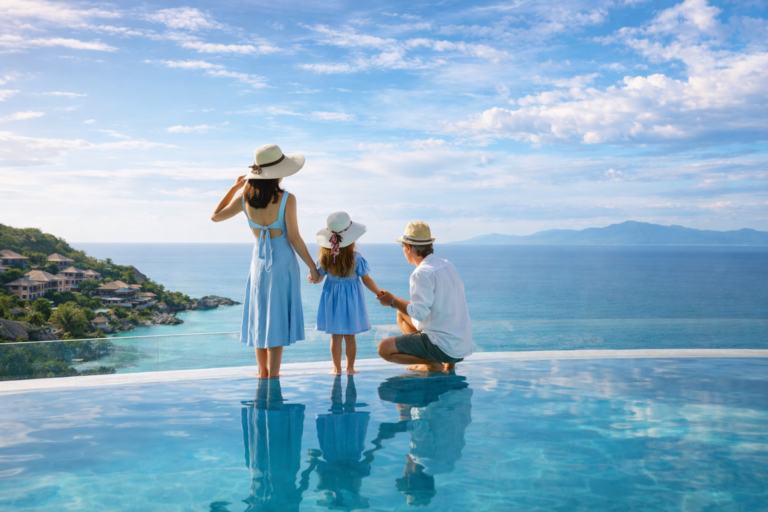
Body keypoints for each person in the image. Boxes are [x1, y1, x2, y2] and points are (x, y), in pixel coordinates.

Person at [212, 144, 320, 378]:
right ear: (277, 173)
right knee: (277, 314)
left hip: (258, 262)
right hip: (282, 261)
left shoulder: (245, 199)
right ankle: (275, 374)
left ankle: (262, 372)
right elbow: (293, 237)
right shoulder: (287, 198)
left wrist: (233, 188)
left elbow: (215, 216)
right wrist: (312, 266)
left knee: (260, 313)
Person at [375, 221, 473, 373]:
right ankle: (447, 365)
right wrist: (396, 301)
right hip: (461, 347)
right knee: (402, 313)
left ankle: (432, 363)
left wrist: (392, 301)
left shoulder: (421, 273)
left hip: (444, 348)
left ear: (408, 248)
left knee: (383, 349)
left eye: (402, 247)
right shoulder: (447, 265)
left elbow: (419, 314)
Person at [311, 212, 381, 375]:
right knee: (350, 337)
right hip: (351, 299)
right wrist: (378, 292)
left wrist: (312, 277)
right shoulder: (356, 258)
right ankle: (350, 368)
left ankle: (337, 369)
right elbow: (366, 279)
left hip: (332, 298)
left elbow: (319, 278)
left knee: (335, 337)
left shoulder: (325, 258)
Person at [240, 379, 312, 512]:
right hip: (278, 468)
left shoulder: (288, 507)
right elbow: (302, 487)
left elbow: (302, 486)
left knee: (266, 426)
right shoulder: (289, 508)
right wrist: (311, 465)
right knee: (268, 426)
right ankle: (268, 383)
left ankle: (267, 381)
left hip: (266, 470)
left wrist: (311, 465)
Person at [307, 374, 372, 510]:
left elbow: (316, 464)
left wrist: (312, 457)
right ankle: (343, 378)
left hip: (339, 449)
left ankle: (341, 378)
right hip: (344, 449)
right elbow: (316, 464)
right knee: (341, 410)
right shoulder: (335, 482)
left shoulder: (328, 483)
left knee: (343, 410)